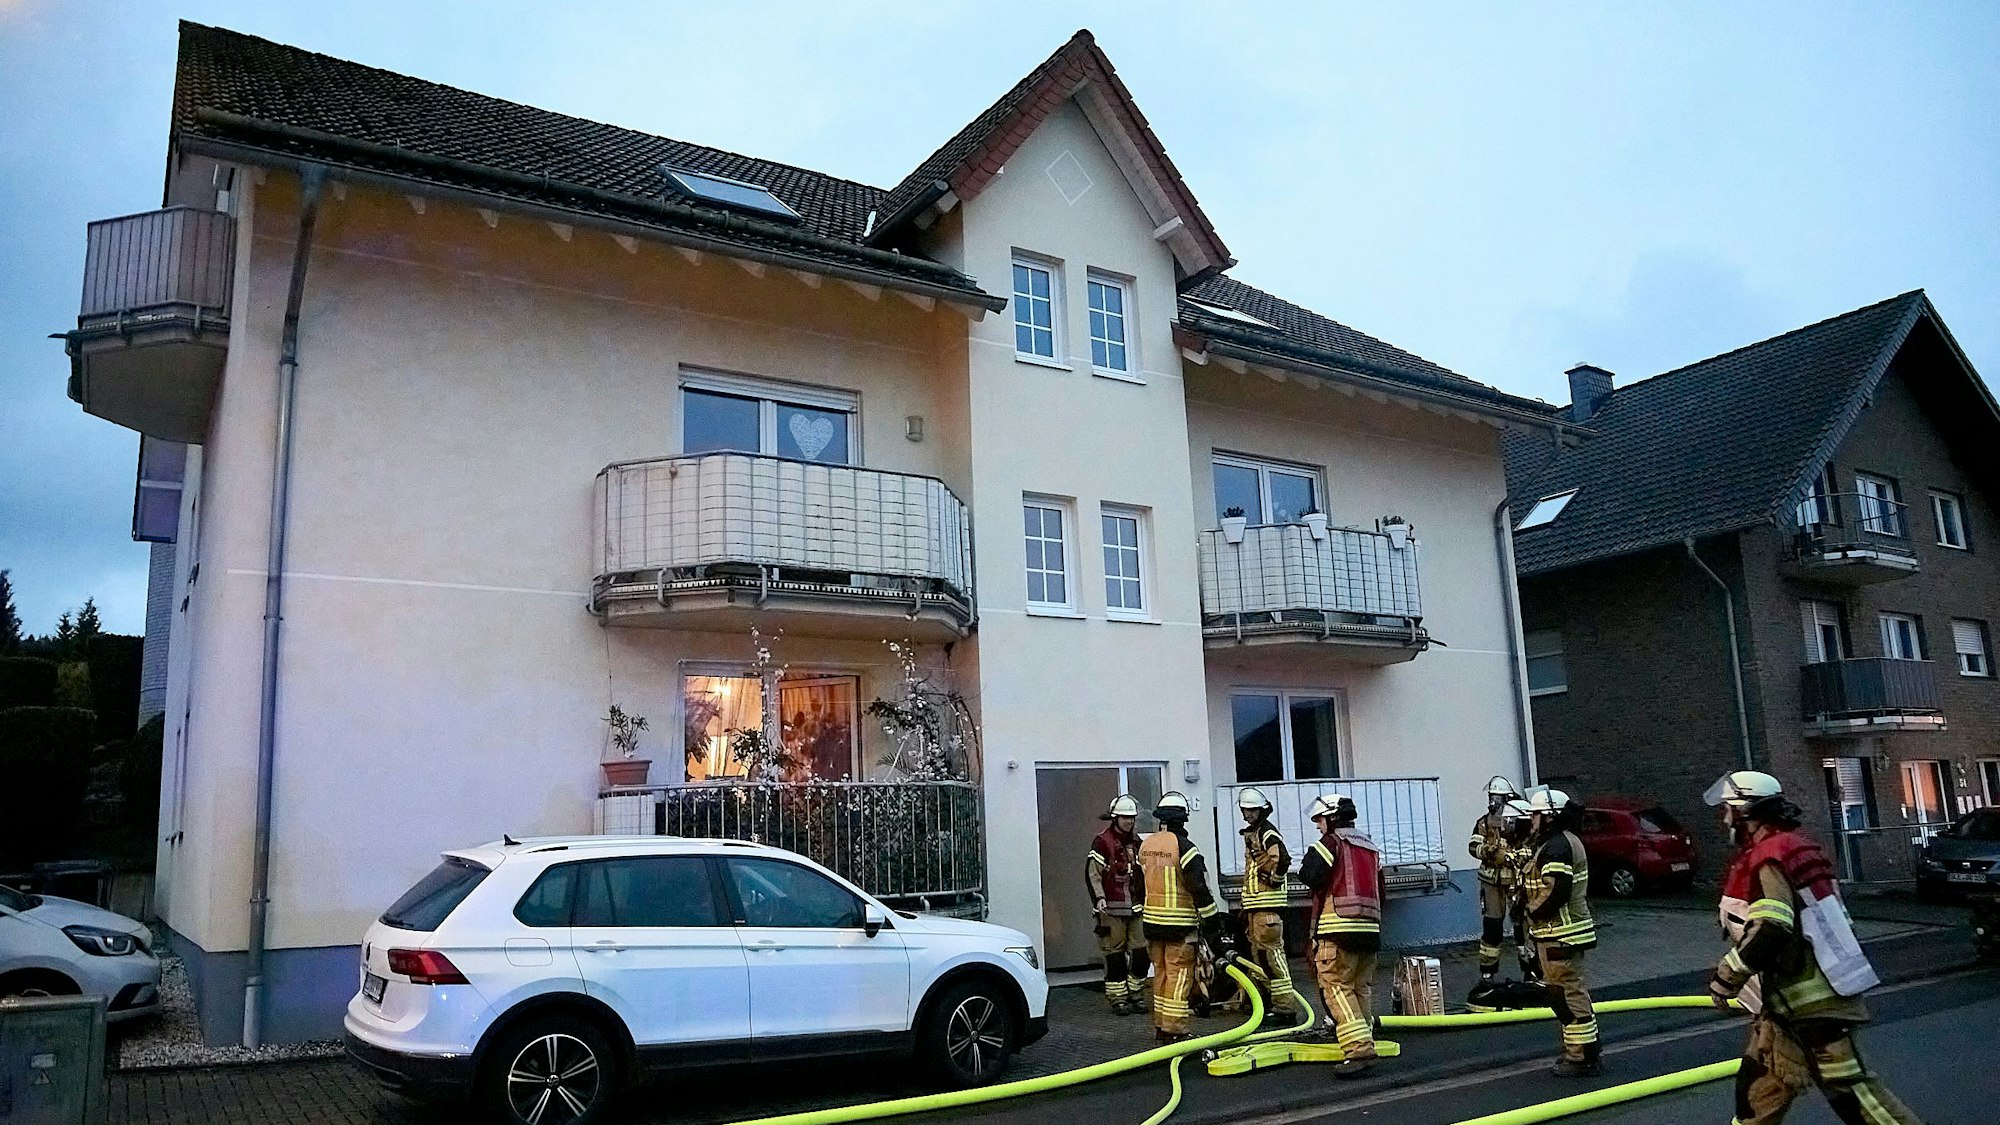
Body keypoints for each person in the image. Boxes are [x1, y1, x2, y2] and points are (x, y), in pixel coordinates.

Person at [1705, 771, 1922, 1125]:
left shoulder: (1770, 857)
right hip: (1787, 1009)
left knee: (1853, 1096)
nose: (1724, 818)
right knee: (1755, 1094)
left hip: (1813, 1007)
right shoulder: (1791, 847)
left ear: (1748, 813)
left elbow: (1772, 929)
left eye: (1728, 810)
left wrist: (1726, 976)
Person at [1297, 792, 1382, 1077]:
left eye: (1320, 820)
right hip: (1370, 930)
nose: (1318, 826)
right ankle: (1365, 1036)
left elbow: (1309, 874)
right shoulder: (1369, 845)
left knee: (1336, 986)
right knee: (1360, 988)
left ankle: (1359, 1049)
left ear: (1332, 818)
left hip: (1338, 929)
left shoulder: (1332, 842)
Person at [1522, 788, 1600, 1076]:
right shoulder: (1560, 842)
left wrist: (1529, 910)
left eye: (1536, 814)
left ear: (1549, 817)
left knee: (1567, 995)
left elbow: (1555, 891)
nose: (1532, 820)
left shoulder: (1557, 846)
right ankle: (1580, 1052)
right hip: (1558, 933)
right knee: (1563, 993)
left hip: (1560, 933)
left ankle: (1582, 1057)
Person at [1138, 791, 1226, 1042]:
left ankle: (1160, 1026)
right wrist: (1212, 923)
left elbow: (1138, 883)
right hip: (1180, 926)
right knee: (1179, 976)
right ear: (1183, 820)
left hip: (1152, 924)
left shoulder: (1147, 845)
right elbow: (1199, 888)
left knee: (1161, 974)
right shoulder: (1186, 848)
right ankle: (1174, 1030)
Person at [1235, 787, 1297, 1025]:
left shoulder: (1267, 832)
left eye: (1252, 810)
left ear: (1261, 810)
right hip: (1256, 906)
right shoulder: (1256, 832)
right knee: (1259, 957)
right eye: (1245, 810)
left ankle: (1285, 1008)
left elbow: (1282, 857)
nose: (1248, 814)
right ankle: (1266, 1004)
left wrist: (1274, 880)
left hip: (1267, 907)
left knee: (1271, 956)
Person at [1086, 794, 1149, 1015]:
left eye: (1131, 818)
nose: (1128, 822)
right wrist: (1100, 898)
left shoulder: (1137, 842)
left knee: (1142, 952)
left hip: (1136, 907)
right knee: (1115, 956)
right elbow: (1093, 874)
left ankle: (1136, 992)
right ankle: (1118, 998)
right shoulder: (1102, 842)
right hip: (1111, 909)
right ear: (1115, 818)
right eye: (1124, 818)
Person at [1469, 776, 1529, 984]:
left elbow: (1529, 847)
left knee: (1522, 926)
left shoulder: (1520, 819)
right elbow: (1472, 846)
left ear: (1507, 798)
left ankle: (1530, 970)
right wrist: (1487, 851)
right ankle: (1488, 972)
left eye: (1497, 797)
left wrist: (1515, 857)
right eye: (1491, 797)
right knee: (1492, 928)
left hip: (1515, 882)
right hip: (1491, 883)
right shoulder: (1483, 822)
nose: (1493, 801)